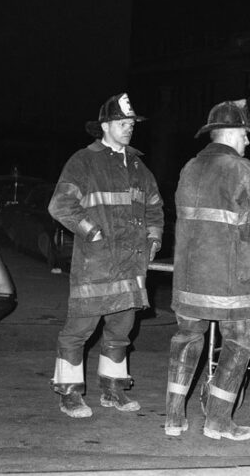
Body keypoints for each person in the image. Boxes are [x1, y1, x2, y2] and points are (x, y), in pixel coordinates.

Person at [165, 99, 250, 441]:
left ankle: (174, 418)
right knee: (238, 342)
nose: (248, 141)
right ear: (233, 133)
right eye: (245, 135)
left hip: (189, 278)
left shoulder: (189, 167)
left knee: (186, 340)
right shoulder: (241, 169)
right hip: (231, 279)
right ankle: (218, 421)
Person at [48, 93, 164, 418]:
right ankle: (69, 394)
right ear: (104, 126)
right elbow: (59, 205)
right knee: (78, 331)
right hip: (95, 266)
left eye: (131, 124)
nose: (129, 129)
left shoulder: (139, 166)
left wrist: (154, 240)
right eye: (122, 124)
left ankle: (112, 391)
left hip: (130, 269)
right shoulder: (84, 161)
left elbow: (155, 208)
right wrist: (91, 231)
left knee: (121, 332)